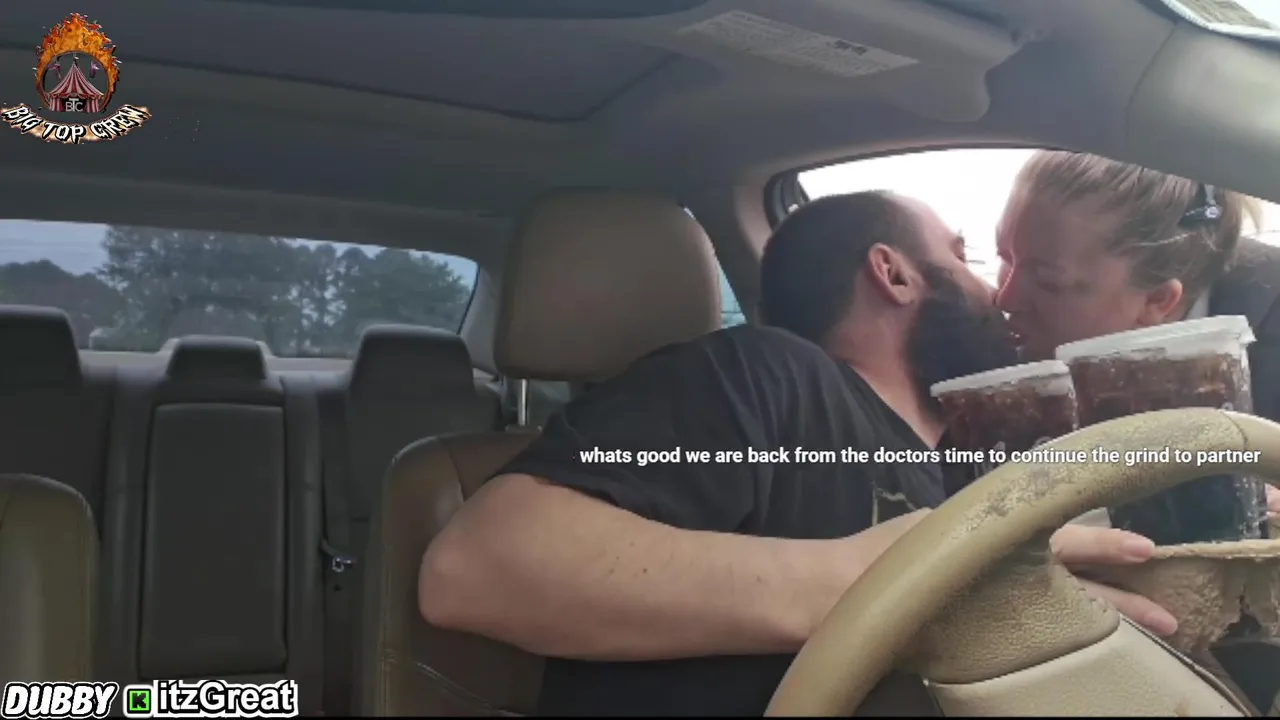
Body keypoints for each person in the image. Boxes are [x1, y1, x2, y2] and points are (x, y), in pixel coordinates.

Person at [418, 191, 1174, 716]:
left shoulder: (971, 463)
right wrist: (893, 586)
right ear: (893, 273)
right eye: (964, 254)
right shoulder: (765, 379)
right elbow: (478, 569)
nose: (998, 294)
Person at [995, 150, 1280, 519]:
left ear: (1157, 300)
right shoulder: (1003, 352)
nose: (1005, 298)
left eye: (1048, 281)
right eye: (1004, 257)